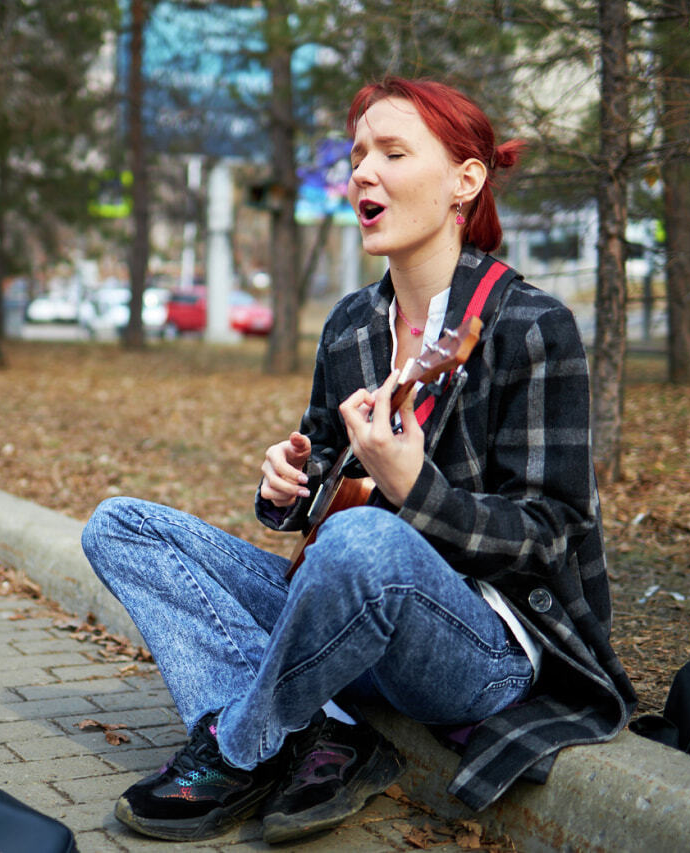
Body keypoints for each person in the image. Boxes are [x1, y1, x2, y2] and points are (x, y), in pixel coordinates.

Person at [82, 76, 636, 844]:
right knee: (119, 525)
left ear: (464, 181)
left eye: (393, 153)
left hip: (485, 651)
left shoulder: (531, 326)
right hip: (350, 609)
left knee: (363, 543)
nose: (363, 173)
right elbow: (325, 494)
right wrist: (287, 486)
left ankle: (241, 745)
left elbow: (552, 532)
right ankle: (331, 733)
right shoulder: (351, 324)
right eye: (357, 156)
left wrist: (415, 488)